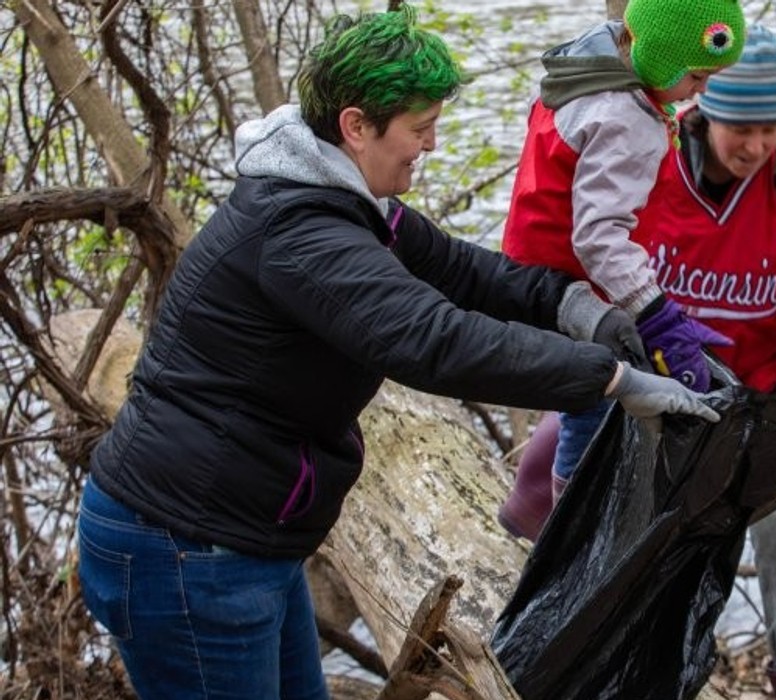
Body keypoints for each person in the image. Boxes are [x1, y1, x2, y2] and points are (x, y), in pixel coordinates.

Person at [73, 6, 717, 699]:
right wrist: (613, 379)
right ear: (356, 126)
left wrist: (575, 306)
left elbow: (466, 271)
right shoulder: (303, 234)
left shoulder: (346, 199)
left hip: (242, 539)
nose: (431, 145)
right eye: (419, 129)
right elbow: (433, 341)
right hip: (187, 549)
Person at [501, 27, 776, 700]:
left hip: (768, 394)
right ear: (703, 111)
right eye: (741, 129)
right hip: (667, 374)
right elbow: (590, 250)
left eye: (771, 130)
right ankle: (564, 614)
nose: (756, 148)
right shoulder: (645, 159)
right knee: (541, 479)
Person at [500, 0, 746, 498]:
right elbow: (599, 237)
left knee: (579, 397)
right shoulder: (627, 120)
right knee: (594, 402)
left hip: (527, 270)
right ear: (658, 53)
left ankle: (536, 499)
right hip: (571, 288)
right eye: (697, 76)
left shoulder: (589, 64)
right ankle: (573, 514)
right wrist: (656, 314)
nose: (702, 90)